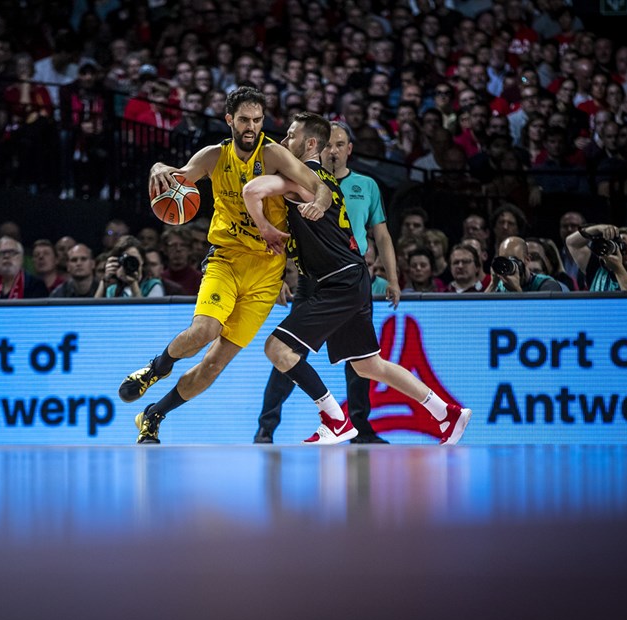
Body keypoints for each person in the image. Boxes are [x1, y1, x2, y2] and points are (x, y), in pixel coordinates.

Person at [118, 86, 333, 444]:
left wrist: (321, 204)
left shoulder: (274, 154)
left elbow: (318, 185)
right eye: (244, 120)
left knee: (214, 365)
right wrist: (158, 166)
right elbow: (178, 177)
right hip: (227, 260)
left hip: (266, 274)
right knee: (205, 330)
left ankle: (153, 415)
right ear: (229, 119)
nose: (251, 127)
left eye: (258, 120)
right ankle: (157, 368)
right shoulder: (214, 156)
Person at [242, 112, 471, 445]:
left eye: (290, 135)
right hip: (351, 276)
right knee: (368, 366)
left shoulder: (302, 177)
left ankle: (335, 419)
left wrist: (265, 228)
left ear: (309, 143)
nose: (283, 141)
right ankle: (446, 413)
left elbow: (251, 190)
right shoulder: (324, 179)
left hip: (338, 280)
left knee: (277, 348)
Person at [253, 121, 401, 445]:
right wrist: (279, 277)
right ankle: (266, 427)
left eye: (340, 144)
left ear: (349, 149)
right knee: (288, 351)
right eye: (329, 144)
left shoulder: (365, 185)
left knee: (358, 359)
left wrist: (392, 278)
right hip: (313, 277)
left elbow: (382, 235)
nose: (333, 150)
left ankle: (357, 426)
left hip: (349, 274)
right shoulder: (304, 177)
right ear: (318, 146)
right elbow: (285, 230)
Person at [566, 224, 627, 292]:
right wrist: (598, 228)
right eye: (624, 246)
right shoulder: (596, 268)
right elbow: (571, 243)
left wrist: (618, 269)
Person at [484, 236, 562, 293]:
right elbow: (481, 309)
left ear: (527, 260)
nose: (508, 265)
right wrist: (492, 284)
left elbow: (541, 311)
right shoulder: (500, 287)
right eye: (504, 260)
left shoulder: (547, 284)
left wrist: (516, 290)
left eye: (513, 260)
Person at [95, 235, 165, 298]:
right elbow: (94, 307)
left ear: (142, 260)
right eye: (126, 259)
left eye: (134, 259)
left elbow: (143, 308)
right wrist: (104, 281)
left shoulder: (153, 285)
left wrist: (133, 284)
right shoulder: (112, 290)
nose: (130, 263)